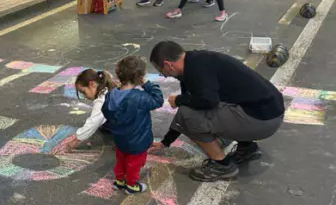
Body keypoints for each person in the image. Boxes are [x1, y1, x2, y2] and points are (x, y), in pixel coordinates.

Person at [148, 41, 285, 182]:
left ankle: (222, 165)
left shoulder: (196, 71)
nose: (163, 75)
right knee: (202, 106)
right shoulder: (194, 61)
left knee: (190, 116)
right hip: (268, 112)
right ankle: (246, 148)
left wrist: (179, 100)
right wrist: (165, 142)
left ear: (168, 64)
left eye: (161, 71)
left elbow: (202, 105)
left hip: (262, 120)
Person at [102, 56, 164, 194]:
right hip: (138, 140)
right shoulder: (140, 98)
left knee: (121, 160)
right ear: (139, 77)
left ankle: (119, 181)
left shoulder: (111, 95)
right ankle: (131, 185)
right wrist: (147, 84)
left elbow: (106, 112)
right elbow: (158, 100)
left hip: (120, 139)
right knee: (134, 164)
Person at [64, 69, 119, 151]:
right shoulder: (107, 86)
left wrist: (76, 140)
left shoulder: (102, 100)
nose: (84, 96)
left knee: (100, 121)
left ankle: (127, 141)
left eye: (84, 92)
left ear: (92, 84)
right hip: (136, 118)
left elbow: (93, 122)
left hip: (135, 127)